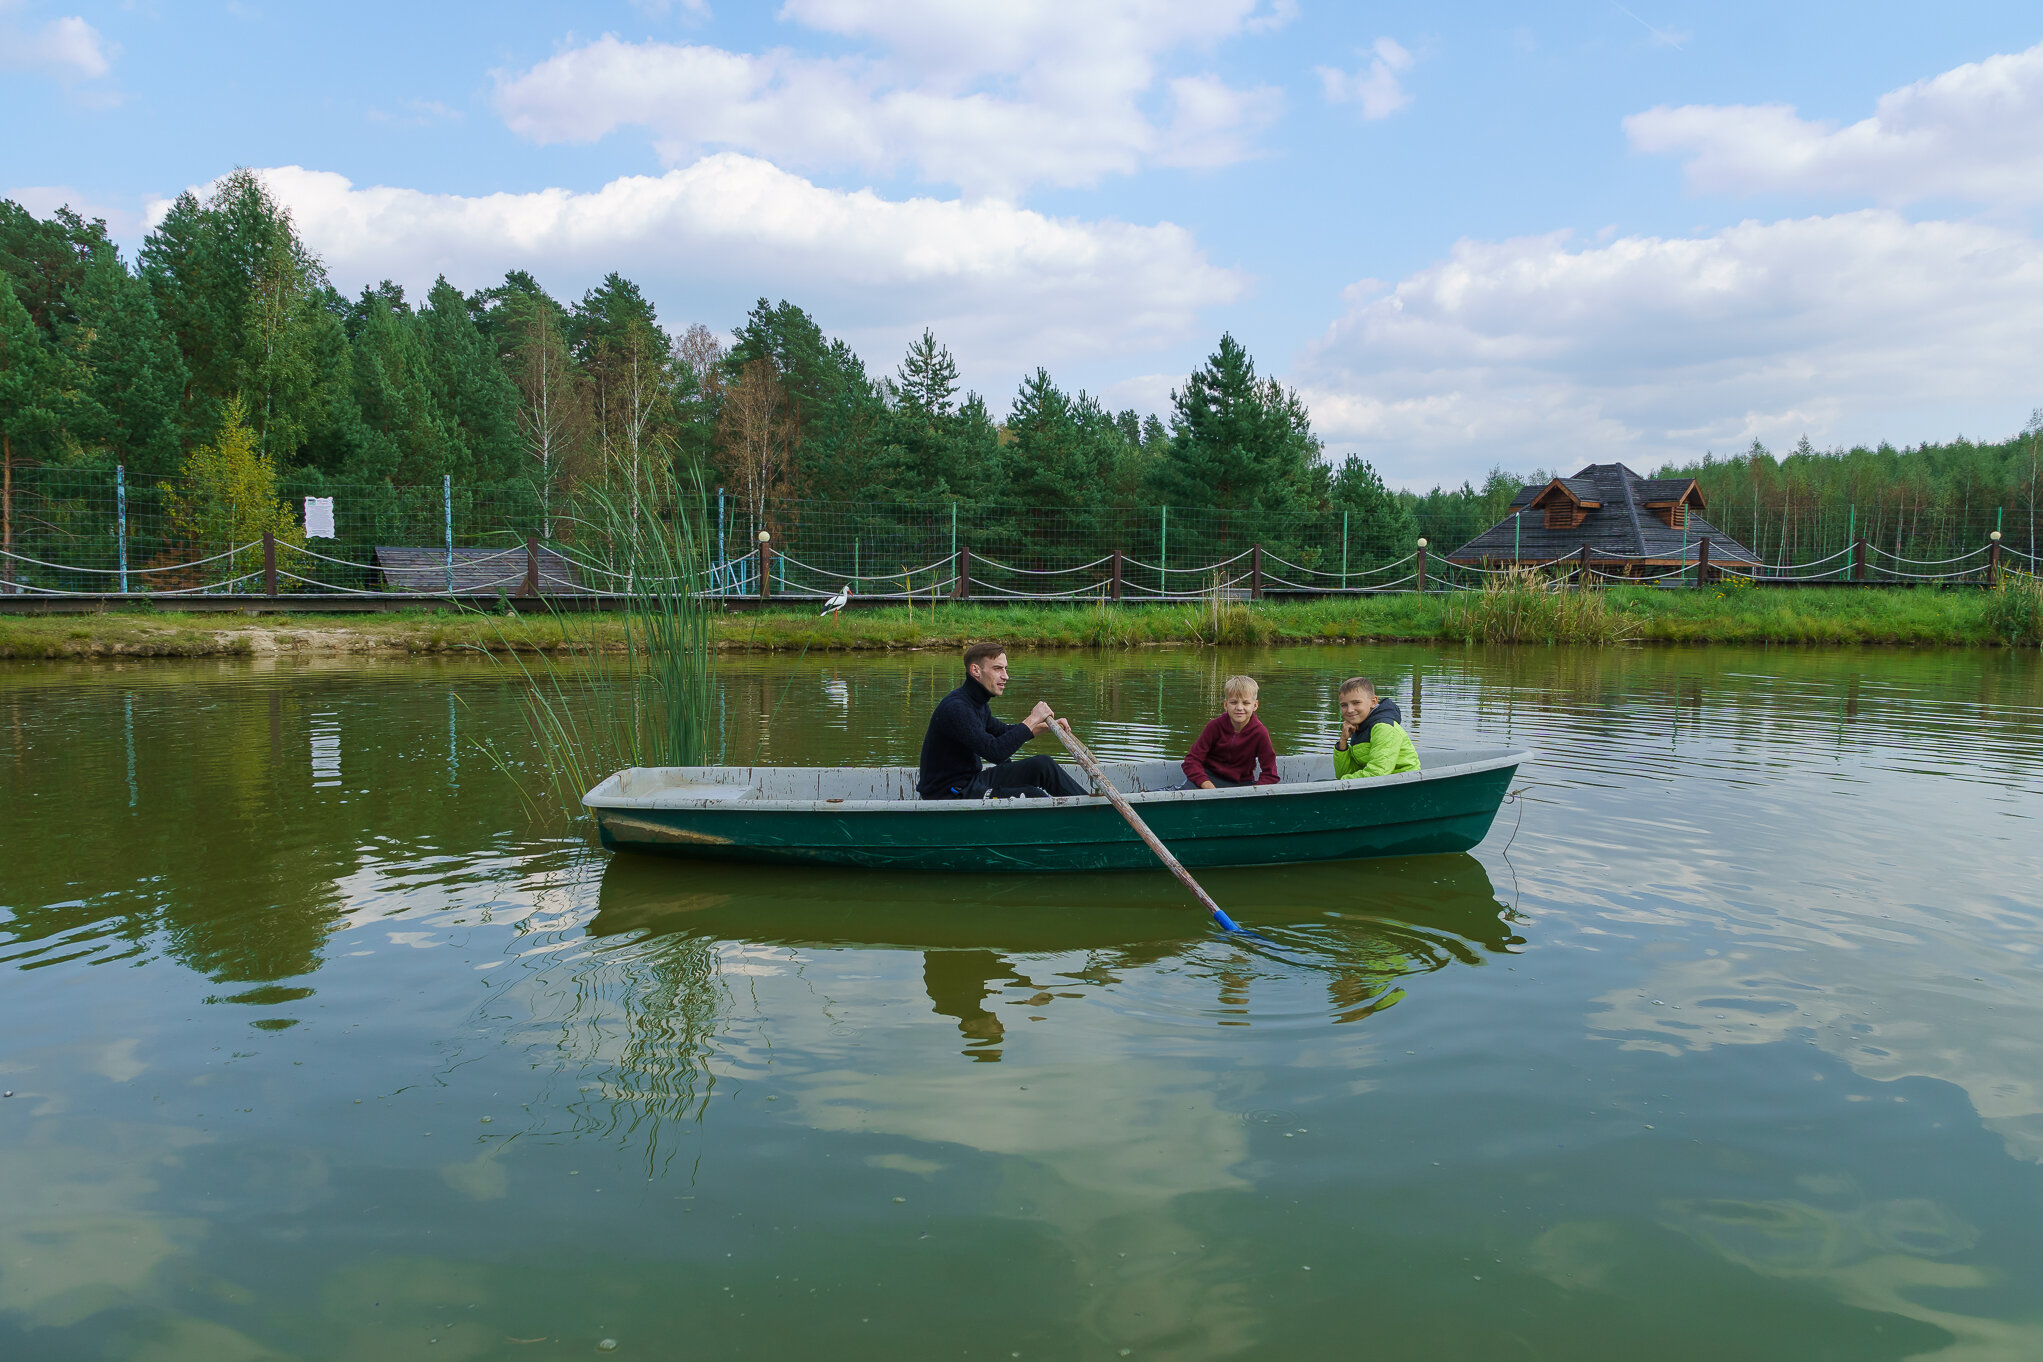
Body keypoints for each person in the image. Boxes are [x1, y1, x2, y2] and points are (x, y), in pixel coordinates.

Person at [917, 643, 1091, 800]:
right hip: (949, 793)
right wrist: (1032, 718)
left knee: (1042, 765)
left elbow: (1003, 732)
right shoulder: (956, 708)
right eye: (998, 669)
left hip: (972, 781)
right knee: (1033, 796)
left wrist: (1043, 727)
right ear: (976, 670)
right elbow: (995, 752)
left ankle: (1092, 812)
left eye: (1005, 669)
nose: (1006, 676)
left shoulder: (977, 703)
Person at [1182, 674, 1280, 789]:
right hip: (1208, 780)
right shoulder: (1214, 727)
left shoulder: (1260, 733)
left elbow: (1271, 774)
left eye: (1246, 703)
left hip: (1241, 784)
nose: (1239, 708)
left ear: (1255, 705)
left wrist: (1253, 793)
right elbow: (1191, 761)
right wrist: (1207, 785)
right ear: (1225, 705)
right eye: (1233, 702)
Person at [1334, 676, 1421, 779]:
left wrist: (1338, 784)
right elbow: (1342, 775)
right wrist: (1343, 741)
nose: (1349, 710)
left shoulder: (1383, 728)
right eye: (1344, 705)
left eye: (1356, 702)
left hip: (1404, 785)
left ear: (1373, 702)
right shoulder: (1360, 726)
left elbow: (1377, 773)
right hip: (1380, 786)